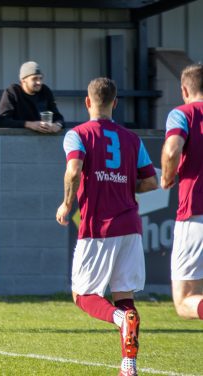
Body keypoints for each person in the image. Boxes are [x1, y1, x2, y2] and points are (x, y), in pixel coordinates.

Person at [55, 78, 158, 376]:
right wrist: (123, 185)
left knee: (82, 295)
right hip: (130, 225)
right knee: (125, 297)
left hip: (98, 228)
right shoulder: (131, 139)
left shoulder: (77, 135)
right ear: (115, 103)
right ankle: (129, 365)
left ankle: (117, 319)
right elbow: (150, 181)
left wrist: (66, 204)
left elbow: (73, 170)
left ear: (87, 102)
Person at [160, 63, 203, 321]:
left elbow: (172, 149)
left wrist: (167, 177)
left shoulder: (182, 113)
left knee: (185, 300)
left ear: (184, 90)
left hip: (196, 213)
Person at [0, 61, 64, 133]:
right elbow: (2, 121)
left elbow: (58, 117)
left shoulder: (45, 91)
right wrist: (28, 124)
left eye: (40, 78)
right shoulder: (12, 92)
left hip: (44, 139)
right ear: (23, 80)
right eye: (34, 79)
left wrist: (57, 125)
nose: (39, 82)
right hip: (18, 139)